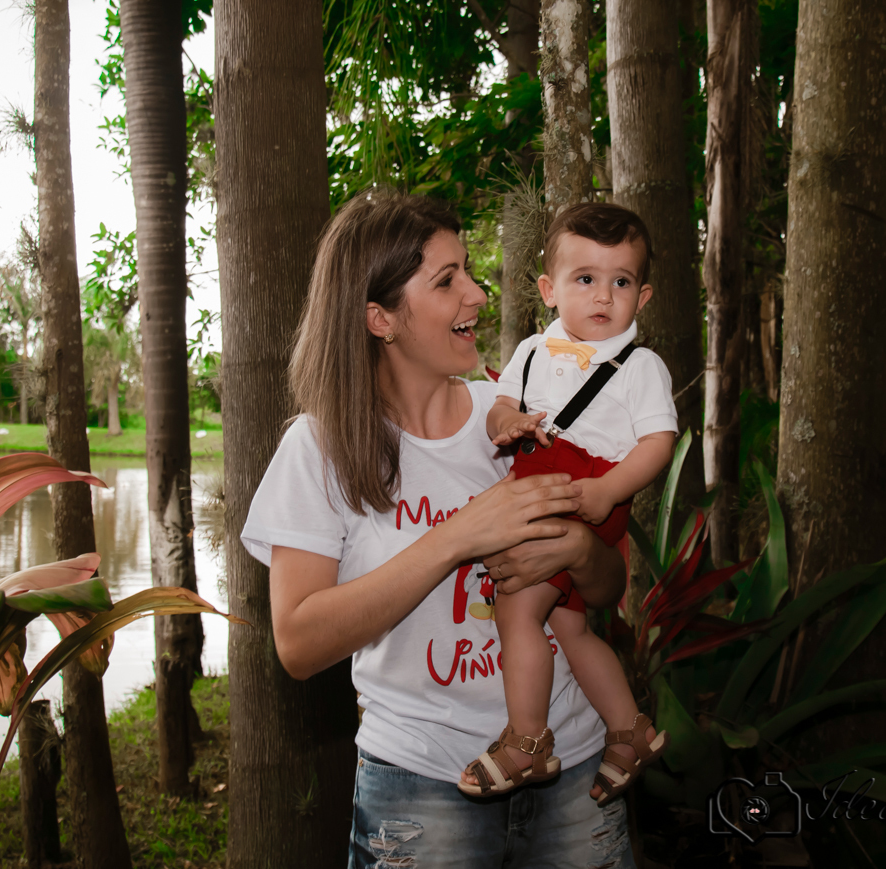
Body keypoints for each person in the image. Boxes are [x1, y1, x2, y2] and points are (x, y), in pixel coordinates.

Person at [240, 192, 636, 869]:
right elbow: (299, 643)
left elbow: (606, 588)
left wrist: (578, 549)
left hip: (572, 767)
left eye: (469, 272)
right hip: (420, 787)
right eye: (448, 280)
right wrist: (459, 535)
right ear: (381, 318)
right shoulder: (320, 449)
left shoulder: (519, 415)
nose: (477, 294)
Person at [458, 203, 676, 807]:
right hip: (540, 475)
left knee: (516, 611)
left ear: (643, 296)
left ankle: (527, 740)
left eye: (621, 282)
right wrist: (508, 423)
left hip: (585, 488)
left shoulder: (640, 366)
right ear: (549, 290)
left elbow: (659, 441)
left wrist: (609, 490)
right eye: (585, 278)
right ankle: (630, 730)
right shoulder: (532, 350)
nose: (603, 295)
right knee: (569, 626)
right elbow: (501, 405)